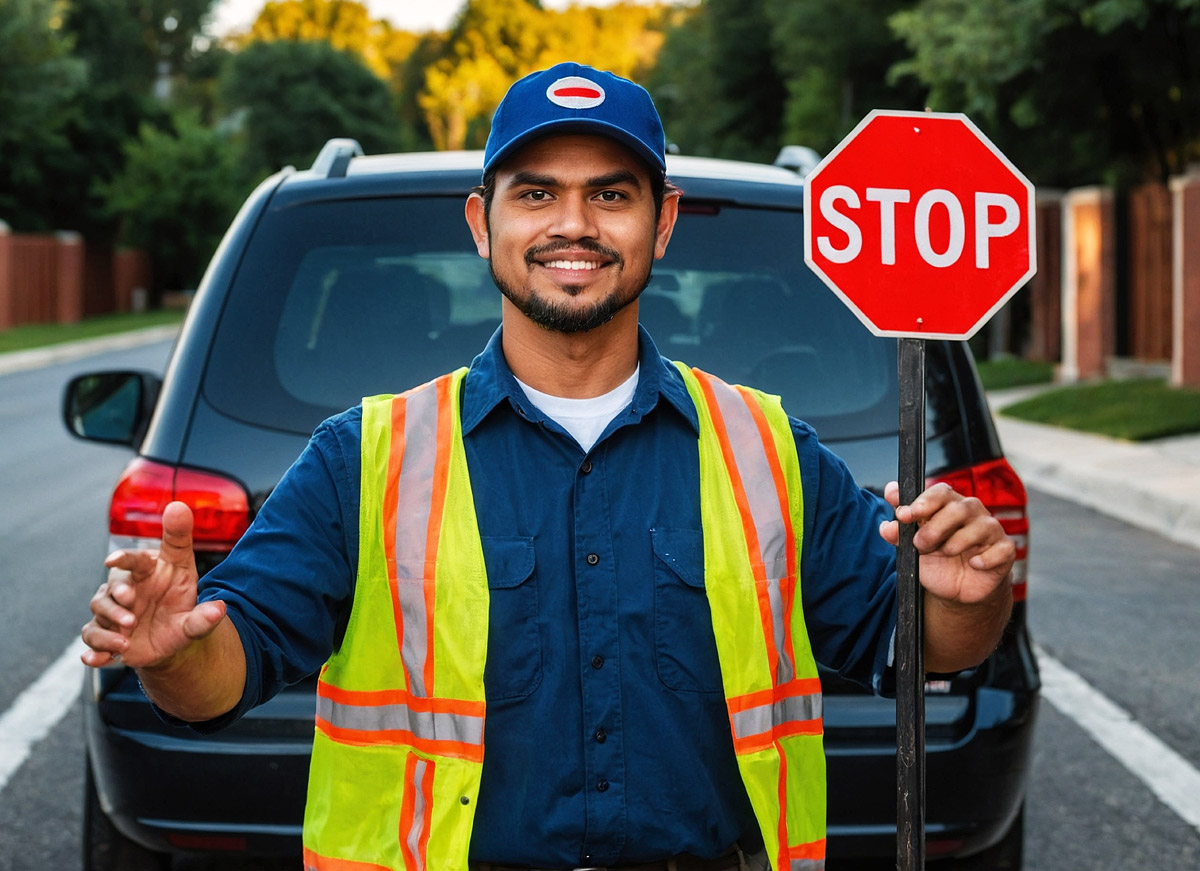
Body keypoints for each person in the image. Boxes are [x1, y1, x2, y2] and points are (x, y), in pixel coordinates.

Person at [81, 63, 1014, 871]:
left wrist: (971, 603)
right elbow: (225, 670)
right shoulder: (364, 457)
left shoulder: (770, 449)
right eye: (537, 193)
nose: (575, 223)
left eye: (611, 193)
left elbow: (917, 649)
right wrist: (177, 655)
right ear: (483, 223)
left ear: (664, 220)